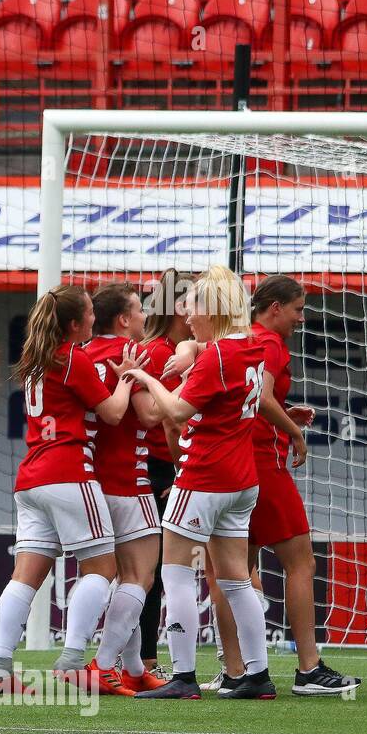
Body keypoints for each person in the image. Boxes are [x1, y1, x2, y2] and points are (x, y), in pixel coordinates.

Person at [0, 285, 143, 693]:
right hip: (69, 471)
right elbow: (113, 413)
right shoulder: (73, 359)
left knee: (25, 576)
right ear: (75, 324)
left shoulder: (36, 359)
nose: (93, 318)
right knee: (103, 568)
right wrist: (125, 376)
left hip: (31, 477)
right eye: (89, 313)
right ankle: (72, 660)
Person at [205, 275, 360, 697]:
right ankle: (309, 668)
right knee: (301, 562)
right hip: (263, 466)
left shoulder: (243, 338)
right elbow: (264, 398)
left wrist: (284, 413)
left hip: (236, 465)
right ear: (274, 307)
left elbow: (251, 398)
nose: (300, 318)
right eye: (297, 309)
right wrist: (293, 430)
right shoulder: (269, 343)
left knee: (233, 573)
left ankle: (235, 670)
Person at [125, 264, 275, 700]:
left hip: (205, 475)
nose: (186, 315)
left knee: (174, 571)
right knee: (235, 579)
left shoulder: (218, 356)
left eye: (193, 307)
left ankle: (184, 676)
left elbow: (174, 413)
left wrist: (148, 376)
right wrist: (192, 349)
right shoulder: (250, 347)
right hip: (241, 479)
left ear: (212, 309)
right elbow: (211, 351)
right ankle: (258, 675)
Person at [82, 284, 170, 694]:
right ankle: (102, 665)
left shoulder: (82, 354)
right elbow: (150, 416)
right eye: (138, 311)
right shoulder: (129, 355)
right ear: (122, 319)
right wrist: (184, 382)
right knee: (140, 577)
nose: (143, 317)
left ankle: (133, 666)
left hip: (91, 479)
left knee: (120, 577)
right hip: (129, 482)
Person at [135, 270, 193, 677]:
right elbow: (159, 419)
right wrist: (178, 468)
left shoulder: (183, 349)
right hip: (160, 470)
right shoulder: (156, 353)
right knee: (153, 571)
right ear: (178, 307)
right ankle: (145, 658)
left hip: (176, 468)